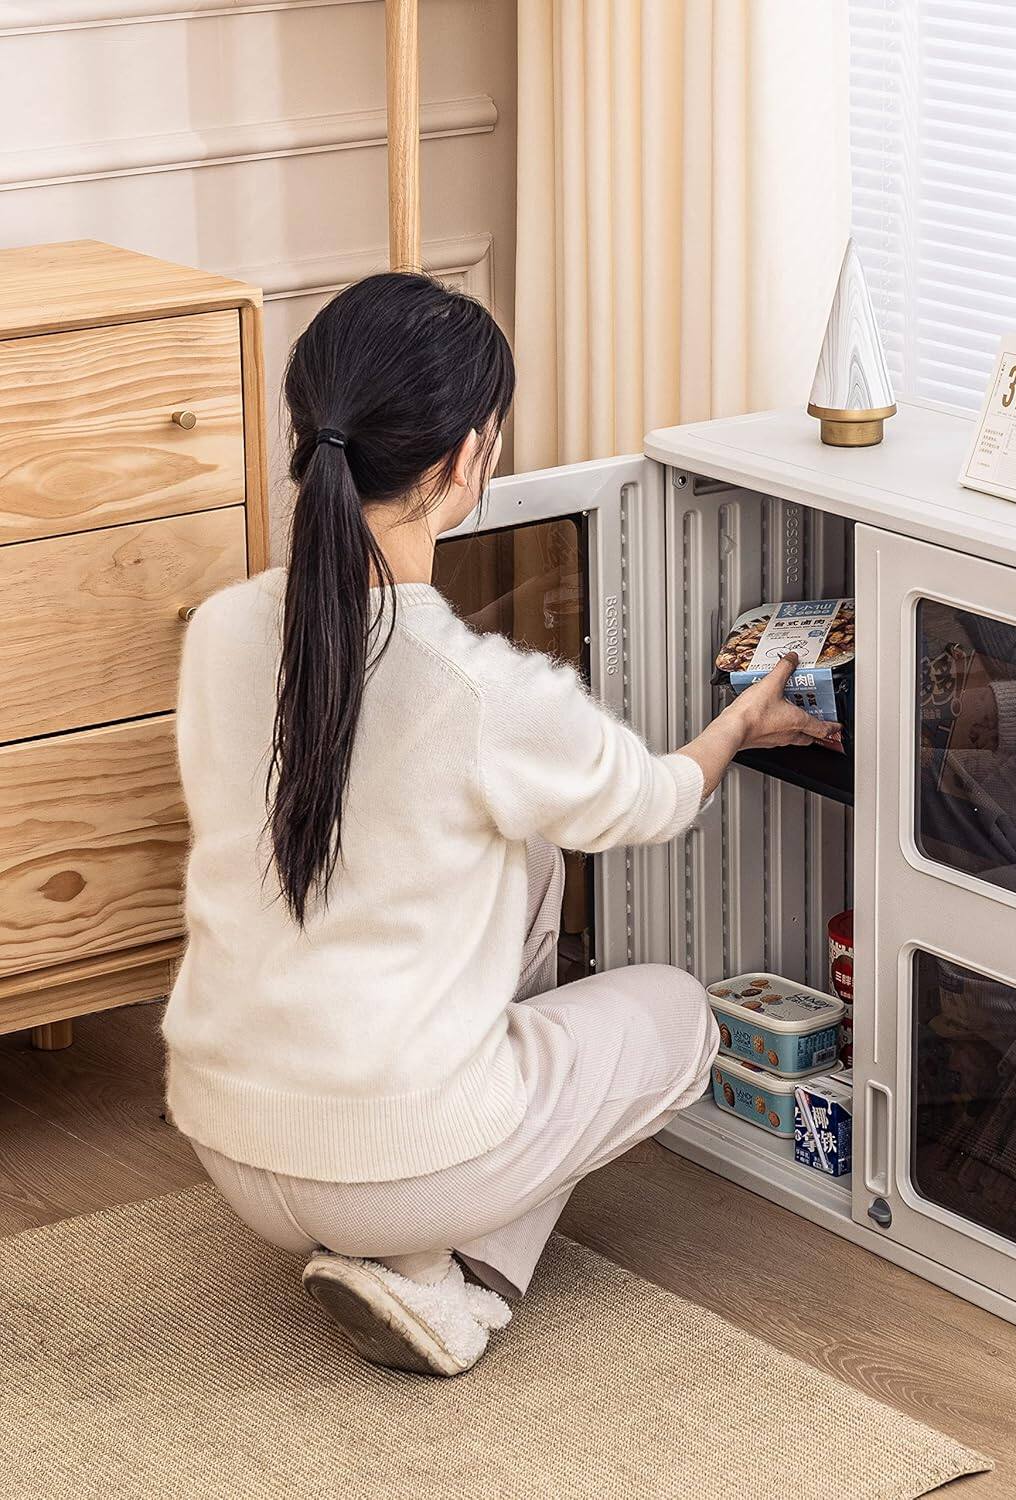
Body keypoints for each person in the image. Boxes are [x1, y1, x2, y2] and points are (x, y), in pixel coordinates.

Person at [162, 273, 838, 1377]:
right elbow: (656, 798)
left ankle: (404, 1229)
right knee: (679, 1015)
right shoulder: (485, 693)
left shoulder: (221, 631)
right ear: (470, 462)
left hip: (230, 1141)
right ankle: (448, 1277)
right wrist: (736, 727)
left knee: (519, 851)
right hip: (393, 1165)